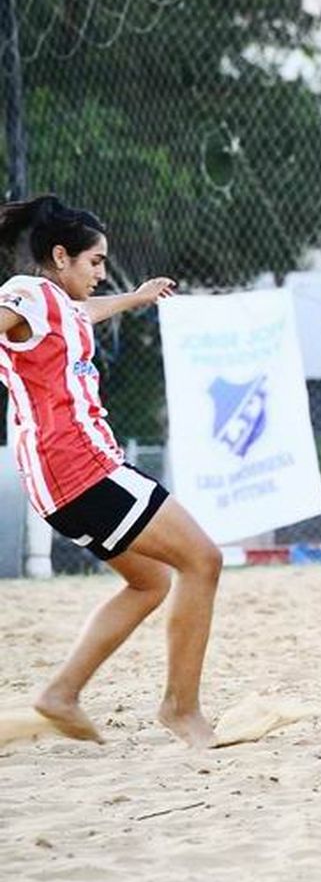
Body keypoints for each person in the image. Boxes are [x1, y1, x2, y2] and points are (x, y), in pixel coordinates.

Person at [0, 194, 221, 747]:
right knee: (203, 561)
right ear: (59, 256)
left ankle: (61, 693)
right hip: (82, 467)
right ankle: (180, 708)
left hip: (61, 478)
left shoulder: (57, 304)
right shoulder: (26, 292)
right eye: (94, 261)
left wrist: (137, 298)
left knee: (150, 581)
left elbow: (84, 312)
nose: (101, 272)